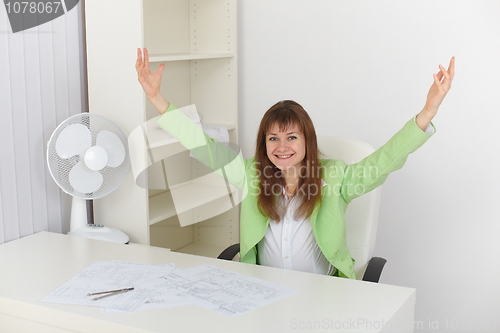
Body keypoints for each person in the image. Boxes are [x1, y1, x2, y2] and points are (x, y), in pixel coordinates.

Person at [136, 47, 455, 279]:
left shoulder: (335, 177)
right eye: (272, 138)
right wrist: (158, 100)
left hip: (323, 292)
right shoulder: (251, 175)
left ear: (307, 142)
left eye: (291, 137)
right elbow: (204, 146)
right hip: (263, 289)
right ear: (263, 144)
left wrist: (426, 113)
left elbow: (384, 161)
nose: (282, 146)